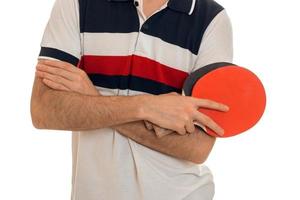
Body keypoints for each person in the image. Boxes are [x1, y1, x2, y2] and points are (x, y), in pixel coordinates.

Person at [30, 0, 233, 199]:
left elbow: (198, 147)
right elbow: (44, 110)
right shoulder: (75, 4)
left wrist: (92, 96)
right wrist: (146, 107)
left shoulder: (212, 20)